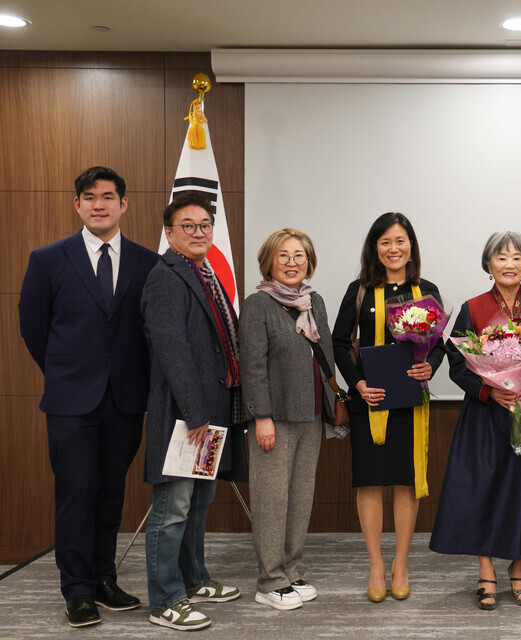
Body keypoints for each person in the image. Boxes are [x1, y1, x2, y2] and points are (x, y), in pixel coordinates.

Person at [18, 167, 159, 628]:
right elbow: (34, 329)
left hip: (124, 401)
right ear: (77, 204)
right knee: (76, 494)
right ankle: (76, 589)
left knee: (110, 494)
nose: (99, 204)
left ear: (123, 205)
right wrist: (68, 373)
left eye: (108, 196)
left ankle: (103, 578)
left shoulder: (146, 262)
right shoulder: (48, 259)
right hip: (71, 402)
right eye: (89, 197)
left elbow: (147, 333)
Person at [430, 231, 521, 610]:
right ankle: (486, 572)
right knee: (482, 490)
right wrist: (490, 390)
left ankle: (519, 571)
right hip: (486, 415)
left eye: (517, 257)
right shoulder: (471, 308)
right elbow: (457, 363)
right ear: (488, 265)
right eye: (501, 257)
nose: (509, 263)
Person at [141, 192, 248, 631]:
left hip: (211, 412)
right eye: (188, 225)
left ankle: (194, 578)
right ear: (169, 233)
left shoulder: (205, 274)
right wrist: (195, 411)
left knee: (199, 503)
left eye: (205, 225)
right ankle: (165, 599)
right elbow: (173, 352)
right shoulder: (166, 277)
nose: (199, 232)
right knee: (174, 508)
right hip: (186, 417)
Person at [332, 212, 445, 603]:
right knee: (369, 481)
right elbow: (337, 342)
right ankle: (376, 565)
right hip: (370, 400)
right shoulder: (359, 290)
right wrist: (358, 384)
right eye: (385, 242)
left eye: (400, 241)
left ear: (410, 245)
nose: (393, 248)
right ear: (375, 249)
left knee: (404, 481)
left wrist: (432, 364)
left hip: (410, 400)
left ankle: (400, 564)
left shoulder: (426, 290)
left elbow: (440, 344)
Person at [240, 228, 345, 611]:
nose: (291, 262)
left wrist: (332, 408)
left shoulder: (313, 301)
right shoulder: (258, 304)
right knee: (271, 500)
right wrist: (261, 417)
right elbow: (252, 368)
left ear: (309, 261)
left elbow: (327, 357)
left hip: (312, 415)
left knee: (299, 499)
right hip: (275, 418)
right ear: (268, 261)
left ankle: (291, 570)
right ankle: (269, 581)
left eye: (299, 255)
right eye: (283, 256)